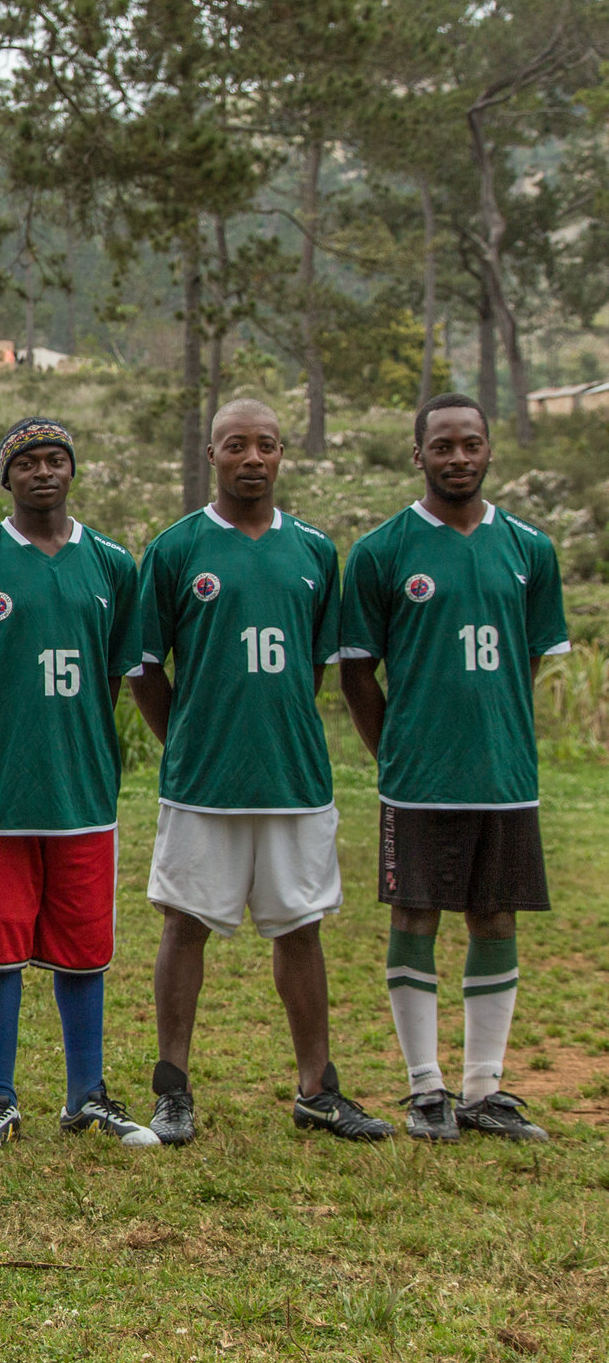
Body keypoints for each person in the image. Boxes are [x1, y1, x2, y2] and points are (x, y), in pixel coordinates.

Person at [128, 400, 394, 1145]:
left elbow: (316, 662)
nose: (253, 457)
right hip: (203, 781)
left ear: (282, 456)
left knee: (300, 926)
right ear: (211, 452)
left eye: (266, 445)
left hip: (293, 777)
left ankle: (317, 1087)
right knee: (185, 925)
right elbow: (147, 669)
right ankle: (173, 1090)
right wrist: (189, 735)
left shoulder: (314, 550)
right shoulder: (177, 548)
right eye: (237, 444)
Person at [340, 393, 566, 1143]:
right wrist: (399, 747)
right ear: (418, 455)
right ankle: (424, 1089)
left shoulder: (531, 548)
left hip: (504, 775)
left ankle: (484, 1089)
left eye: (471, 443)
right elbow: (358, 674)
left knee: (495, 917)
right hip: (419, 778)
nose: (458, 456)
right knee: (416, 916)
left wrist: (491, 728)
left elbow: (527, 657)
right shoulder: (382, 550)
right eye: (443, 445)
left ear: (489, 449)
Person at [0, 418, 155, 1150]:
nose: (42, 472)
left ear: (72, 470)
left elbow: (119, 675)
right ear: (7, 478)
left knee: (82, 949)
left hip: (83, 791)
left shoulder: (114, 565)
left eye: (55, 459)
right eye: (26, 462)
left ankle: (86, 1094)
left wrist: (74, 746)